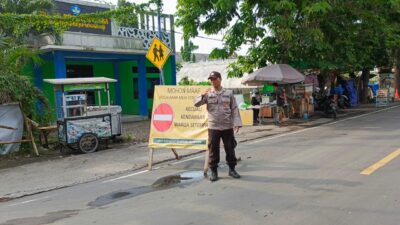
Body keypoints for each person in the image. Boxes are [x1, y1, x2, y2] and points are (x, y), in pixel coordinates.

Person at [194, 71, 242, 182]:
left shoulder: (229, 93)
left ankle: (232, 169)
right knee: (213, 149)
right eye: (211, 79)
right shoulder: (208, 94)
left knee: (230, 148)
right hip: (213, 127)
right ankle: (214, 172)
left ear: (220, 79)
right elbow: (196, 104)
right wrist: (202, 95)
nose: (213, 81)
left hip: (227, 126)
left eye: (215, 79)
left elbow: (234, 109)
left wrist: (237, 123)